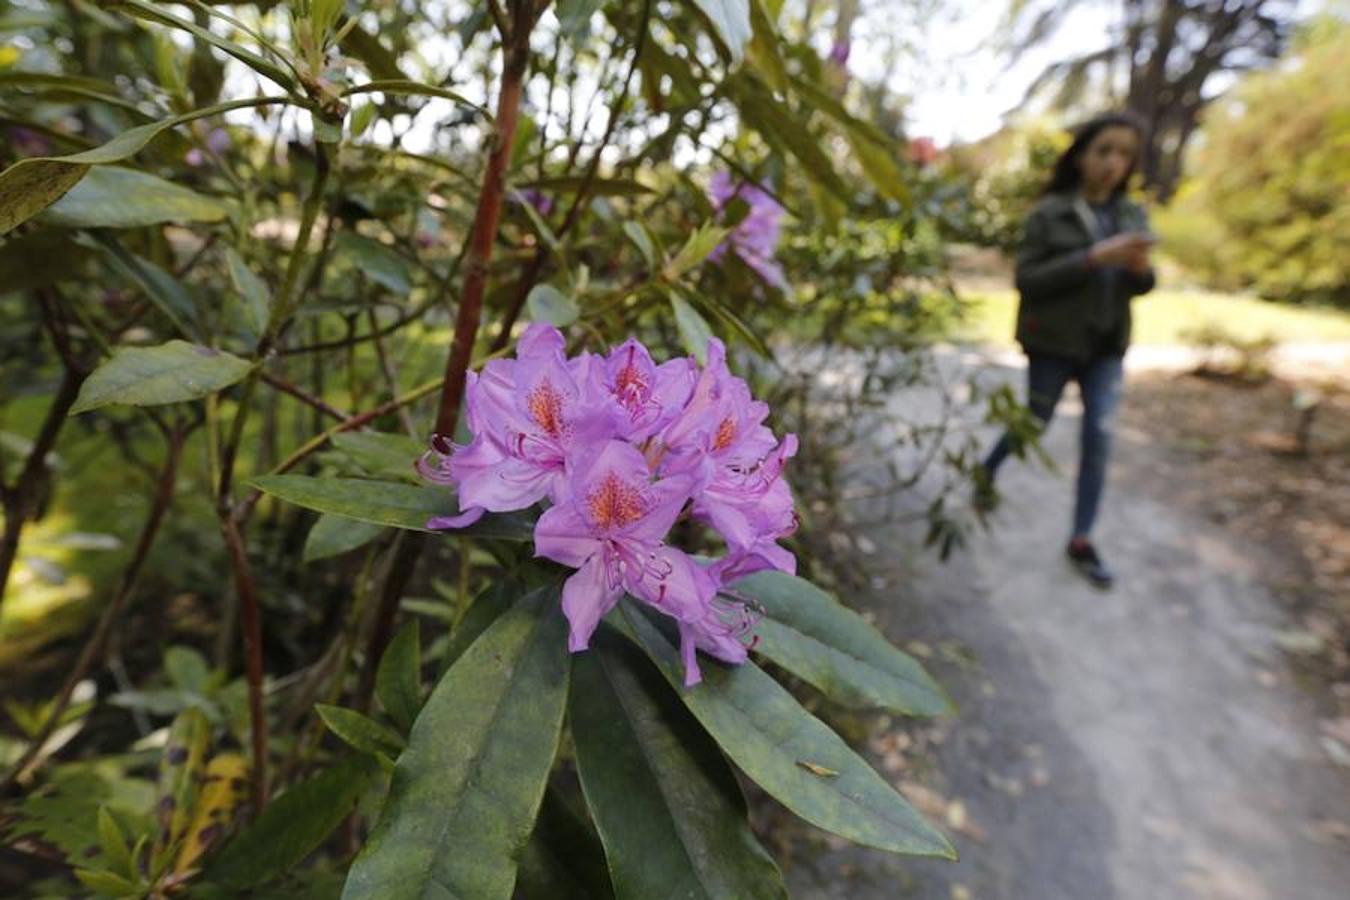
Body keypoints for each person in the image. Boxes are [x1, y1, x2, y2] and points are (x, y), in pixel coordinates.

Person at [977, 112, 1157, 588]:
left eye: (1124, 154)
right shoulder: (1049, 213)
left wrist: (1138, 267)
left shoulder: (1130, 214)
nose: (1113, 163)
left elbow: (1145, 284)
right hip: (1054, 343)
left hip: (1106, 347)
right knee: (1033, 422)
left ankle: (1081, 538)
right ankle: (986, 471)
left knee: (1099, 437)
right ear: (1081, 156)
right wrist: (1093, 258)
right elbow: (1028, 279)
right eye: (1105, 151)